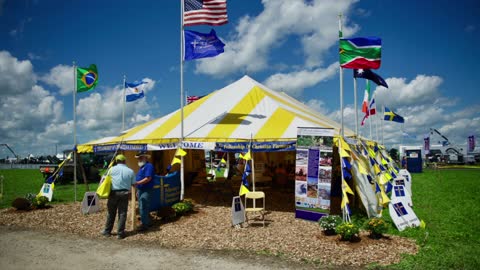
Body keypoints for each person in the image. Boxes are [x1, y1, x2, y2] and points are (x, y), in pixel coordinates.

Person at [102, 154, 135, 239]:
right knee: (122, 213)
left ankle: (107, 231)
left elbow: (106, 180)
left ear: (116, 161)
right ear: (124, 161)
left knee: (111, 212)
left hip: (113, 193)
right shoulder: (130, 171)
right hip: (124, 194)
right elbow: (133, 183)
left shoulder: (111, 169)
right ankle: (120, 233)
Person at [135, 151, 155, 231]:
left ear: (146, 158)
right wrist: (138, 189)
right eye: (139, 158)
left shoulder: (149, 166)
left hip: (146, 189)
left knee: (143, 205)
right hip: (141, 189)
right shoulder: (142, 167)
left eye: (141, 157)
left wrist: (137, 183)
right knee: (142, 206)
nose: (139, 159)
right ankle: (146, 221)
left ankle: (145, 224)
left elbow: (148, 178)